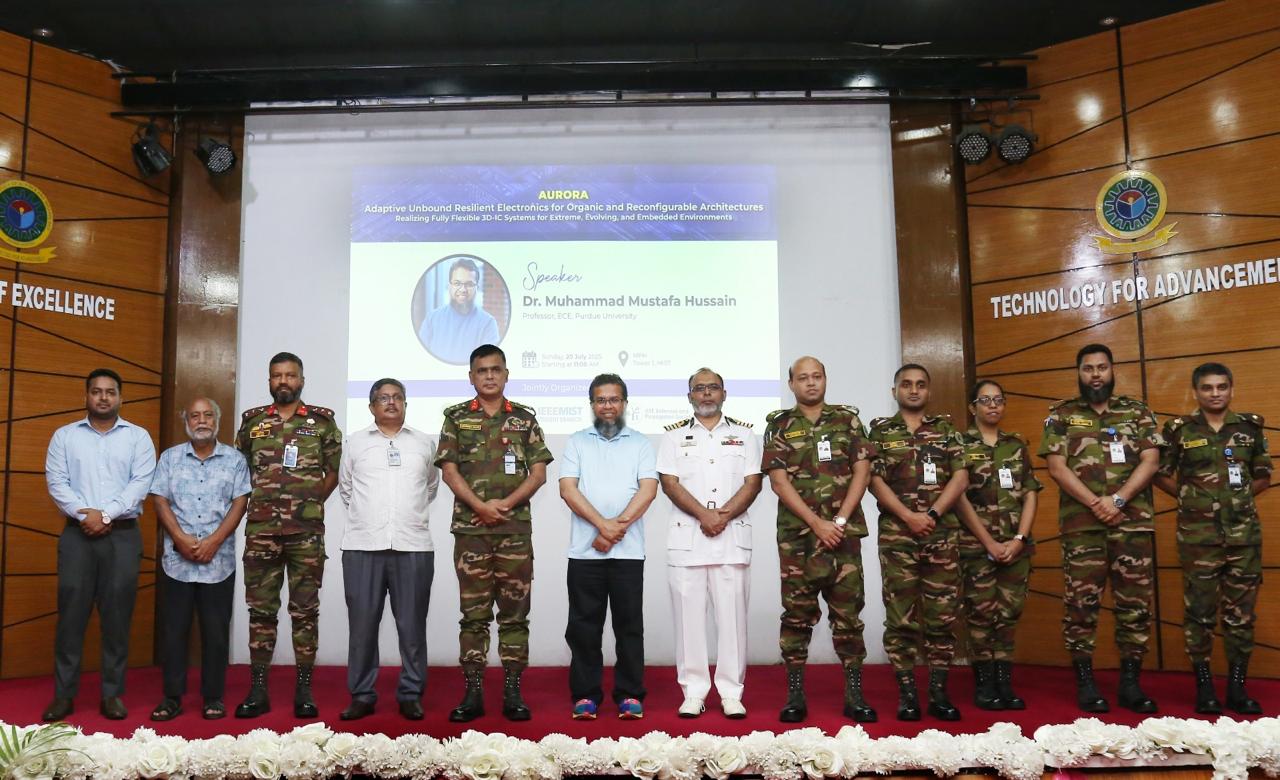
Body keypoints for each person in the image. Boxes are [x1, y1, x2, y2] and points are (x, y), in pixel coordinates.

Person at [1039, 343, 1162, 714]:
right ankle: (1086, 684)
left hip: (1132, 526)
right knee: (1081, 607)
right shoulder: (1061, 414)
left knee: (1135, 607)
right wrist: (1097, 504)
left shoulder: (1136, 411)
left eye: (1102, 367)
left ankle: (1130, 684)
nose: (1095, 375)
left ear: (1112, 370)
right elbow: (1056, 467)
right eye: (1088, 368)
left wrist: (1118, 500)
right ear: (1079, 373)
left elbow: (1151, 460)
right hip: (1082, 528)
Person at [435, 345, 552, 722]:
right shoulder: (456, 418)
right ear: (471, 377)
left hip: (513, 533)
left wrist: (504, 505)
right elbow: (449, 471)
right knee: (474, 615)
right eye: (482, 370)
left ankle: (513, 692)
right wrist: (480, 507)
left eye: (495, 370)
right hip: (471, 533)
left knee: (515, 616)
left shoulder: (524, 419)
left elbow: (538, 473)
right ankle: (473, 693)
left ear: (506, 375)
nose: (489, 376)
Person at [763, 356, 877, 723]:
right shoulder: (780, 425)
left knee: (848, 616)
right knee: (797, 617)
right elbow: (778, 481)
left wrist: (838, 521)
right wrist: (817, 524)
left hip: (843, 537)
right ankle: (795, 695)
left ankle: (855, 694)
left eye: (817, 376)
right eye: (803, 378)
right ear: (791, 384)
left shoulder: (847, 420)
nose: (811, 383)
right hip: (798, 540)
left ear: (825, 379)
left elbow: (862, 471)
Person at [1154, 362, 1269, 715]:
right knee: (1199, 614)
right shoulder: (1179, 430)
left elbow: (1262, 475)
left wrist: (1235, 500)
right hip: (1198, 538)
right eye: (1207, 387)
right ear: (1196, 392)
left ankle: (1237, 688)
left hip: (1243, 538)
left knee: (1241, 616)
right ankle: (1204, 687)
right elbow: (1161, 473)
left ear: (1231, 388)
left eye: (1221, 386)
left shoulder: (1250, 428)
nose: (1215, 393)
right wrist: (1192, 498)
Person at [42, 368, 157, 722]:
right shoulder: (65, 436)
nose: (103, 397)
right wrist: (86, 515)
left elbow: (140, 484)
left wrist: (105, 515)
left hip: (123, 535)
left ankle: (112, 695)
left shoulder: (138, 438)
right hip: (77, 535)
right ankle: (64, 695)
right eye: (96, 391)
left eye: (110, 392)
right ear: (87, 396)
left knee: (117, 618)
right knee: (71, 617)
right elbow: (57, 482)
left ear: (120, 397)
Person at [234, 351, 342, 718]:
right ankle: (258, 689)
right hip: (261, 532)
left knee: (305, 612)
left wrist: (308, 502)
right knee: (260, 612)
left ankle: (304, 690)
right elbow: (240, 472)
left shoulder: (322, 423)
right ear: (269, 381)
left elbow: (333, 472)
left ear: (301, 380)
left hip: (305, 534)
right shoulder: (252, 423)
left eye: (290, 375)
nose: (284, 381)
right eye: (277, 375)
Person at [658, 368, 762, 719]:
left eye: (713, 388)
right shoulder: (673, 437)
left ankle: (732, 693)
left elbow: (752, 483)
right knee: (688, 623)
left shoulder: (745, 435)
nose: (706, 394)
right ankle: (694, 692)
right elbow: (669, 483)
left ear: (724, 393)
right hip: (688, 539)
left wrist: (721, 516)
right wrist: (704, 515)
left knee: (733, 621)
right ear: (689, 396)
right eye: (699, 388)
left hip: (731, 539)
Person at [868, 363, 968, 721]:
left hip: (941, 535)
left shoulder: (946, 430)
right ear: (894, 390)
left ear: (929, 391)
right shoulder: (880, 431)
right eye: (907, 384)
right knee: (901, 618)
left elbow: (960, 477)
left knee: (942, 616)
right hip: (898, 536)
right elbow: (873, 480)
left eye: (920, 385)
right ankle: (907, 693)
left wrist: (933, 515)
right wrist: (909, 516)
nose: (914, 390)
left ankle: (939, 692)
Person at [338, 378, 440, 721]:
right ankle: (362, 695)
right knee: (362, 627)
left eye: (398, 397)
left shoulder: (424, 443)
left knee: (412, 627)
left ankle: (411, 693)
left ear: (406, 404)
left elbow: (430, 487)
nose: (391, 402)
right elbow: (347, 489)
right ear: (371, 407)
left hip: (413, 546)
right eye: (383, 398)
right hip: (363, 546)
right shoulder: (355, 443)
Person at [559, 373, 658, 720]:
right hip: (584, 553)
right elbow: (568, 490)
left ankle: (630, 694)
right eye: (601, 400)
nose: (608, 406)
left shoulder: (641, 443)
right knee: (583, 628)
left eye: (614, 399)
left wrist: (614, 530)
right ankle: (586, 695)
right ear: (592, 405)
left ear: (625, 403)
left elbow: (648, 490)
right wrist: (604, 526)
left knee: (629, 628)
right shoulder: (577, 442)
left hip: (628, 554)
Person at [148, 397, 251, 721]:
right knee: (173, 632)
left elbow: (240, 503)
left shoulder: (235, 460)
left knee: (216, 633)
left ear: (217, 421)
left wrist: (214, 541)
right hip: (176, 562)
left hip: (218, 563)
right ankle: (172, 697)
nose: (202, 421)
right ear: (187, 422)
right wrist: (179, 538)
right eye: (195, 416)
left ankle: (213, 697)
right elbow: (160, 500)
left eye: (208, 415)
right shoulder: (170, 458)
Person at [954, 380, 1040, 711]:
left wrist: (1019, 538)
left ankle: (1004, 683)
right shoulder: (960, 444)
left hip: (1016, 547)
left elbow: (1030, 493)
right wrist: (988, 541)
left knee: (1008, 615)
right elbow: (958, 497)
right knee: (980, 615)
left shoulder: (1016, 444)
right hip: (977, 546)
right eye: (985, 400)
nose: (993, 405)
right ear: (972, 407)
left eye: (998, 400)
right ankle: (984, 684)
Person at [418, 257, 501, 364]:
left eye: (469, 284)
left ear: (477, 287)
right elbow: (420, 358)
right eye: (457, 283)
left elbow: (488, 364)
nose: (463, 289)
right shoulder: (431, 319)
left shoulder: (488, 323)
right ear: (449, 286)